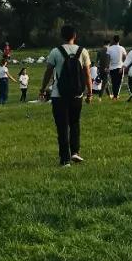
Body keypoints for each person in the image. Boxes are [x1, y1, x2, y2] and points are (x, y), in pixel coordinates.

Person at [39, 25, 93, 167]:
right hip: (77, 94)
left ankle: (65, 159)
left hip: (59, 94)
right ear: (74, 35)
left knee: (62, 127)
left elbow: (48, 72)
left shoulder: (55, 52)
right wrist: (90, 92)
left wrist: (43, 89)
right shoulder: (83, 51)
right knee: (75, 123)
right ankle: (75, 152)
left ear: (61, 36)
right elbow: (87, 74)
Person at [107, 35, 127, 99]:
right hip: (120, 67)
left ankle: (115, 96)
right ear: (119, 40)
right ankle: (116, 95)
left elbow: (108, 58)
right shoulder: (122, 48)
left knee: (114, 82)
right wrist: (123, 64)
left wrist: (107, 66)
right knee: (119, 82)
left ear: (113, 40)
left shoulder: (109, 48)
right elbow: (125, 57)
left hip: (112, 67)